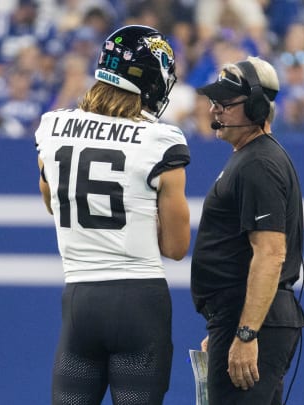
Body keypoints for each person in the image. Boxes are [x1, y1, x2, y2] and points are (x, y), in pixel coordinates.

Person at [34, 25, 190, 405]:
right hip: (139, 300)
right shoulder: (160, 141)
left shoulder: (53, 128)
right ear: (152, 81)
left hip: (79, 301)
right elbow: (176, 245)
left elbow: (54, 201)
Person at [191, 56, 304, 404]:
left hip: (257, 319)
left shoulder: (259, 162)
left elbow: (270, 254)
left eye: (226, 104)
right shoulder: (251, 158)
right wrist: (229, 327)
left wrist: (245, 332)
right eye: (215, 102)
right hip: (246, 317)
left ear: (257, 108)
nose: (215, 111)